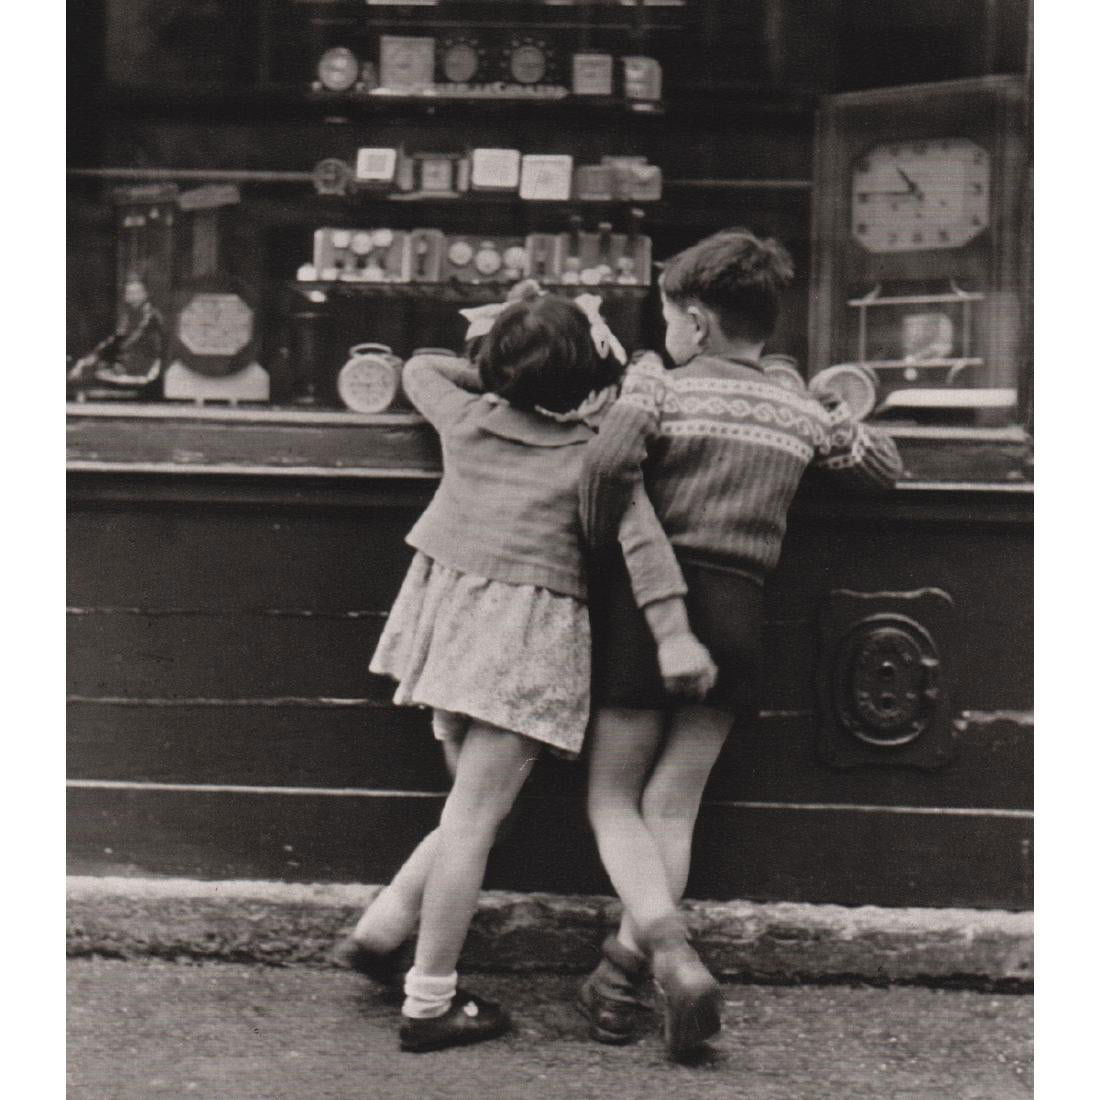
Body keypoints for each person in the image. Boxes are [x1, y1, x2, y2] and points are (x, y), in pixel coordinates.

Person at [337, 292, 716, 1053]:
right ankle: (429, 1000)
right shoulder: (594, 454)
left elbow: (421, 367)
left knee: (472, 808)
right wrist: (674, 635)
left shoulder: (469, 421)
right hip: (524, 643)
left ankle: (382, 930)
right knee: (476, 817)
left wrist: (497, 371)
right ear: (590, 378)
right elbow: (646, 553)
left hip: (449, 629)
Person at [576, 229, 903, 1059]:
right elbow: (881, 469)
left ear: (695, 320)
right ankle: (620, 979)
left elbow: (608, 467)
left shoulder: (659, 386)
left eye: (666, 318)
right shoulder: (792, 408)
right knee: (673, 806)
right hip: (740, 611)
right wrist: (818, 400)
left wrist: (641, 389)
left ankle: (671, 953)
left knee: (614, 798)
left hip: (653, 605)